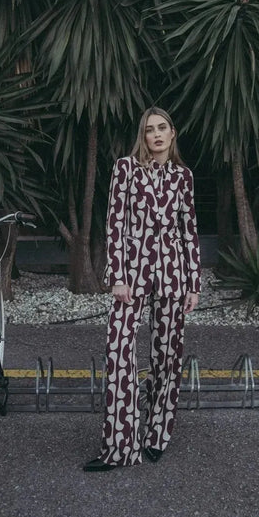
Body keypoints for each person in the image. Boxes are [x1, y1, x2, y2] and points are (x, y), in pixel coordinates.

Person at [83, 106, 201, 471]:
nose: (157, 135)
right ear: (143, 136)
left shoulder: (183, 176)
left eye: (162, 128)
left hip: (173, 275)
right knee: (119, 354)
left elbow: (188, 231)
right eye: (150, 130)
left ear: (173, 133)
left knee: (167, 358)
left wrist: (193, 283)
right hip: (131, 276)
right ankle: (119, 448)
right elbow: (114, 224)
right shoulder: (126, 169)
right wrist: (117, 275)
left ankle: (157, 435)